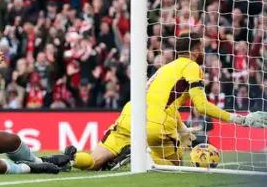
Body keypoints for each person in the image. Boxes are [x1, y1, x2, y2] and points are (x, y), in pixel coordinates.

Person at [70, 32, 267, 170]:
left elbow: (162, 100)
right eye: (202, 48)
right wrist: (239, 119)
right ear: (196, 50)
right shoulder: (192, 67)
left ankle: (68, 159)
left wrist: (181, 128)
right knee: (176, 167)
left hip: (130, 117)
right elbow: (201, 105)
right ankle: (142, 156)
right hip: (157, 126)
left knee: (93, 161)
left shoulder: (164, 69)